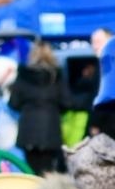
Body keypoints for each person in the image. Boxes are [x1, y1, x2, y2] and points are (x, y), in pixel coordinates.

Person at [9, 41, 70, 175]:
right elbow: (67, 102)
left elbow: (13, 103)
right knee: (48, 170)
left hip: (28, 129)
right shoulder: (57, 76)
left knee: (31, 169)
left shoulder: (23, 75)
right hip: (51, 128)